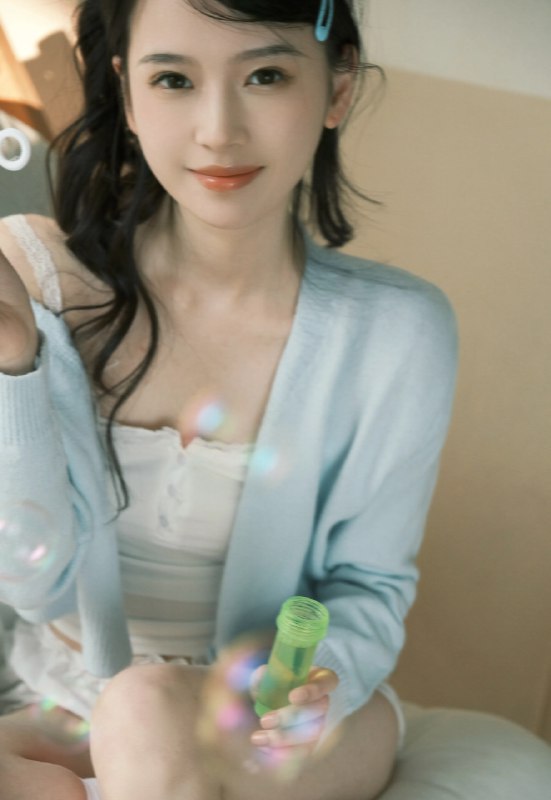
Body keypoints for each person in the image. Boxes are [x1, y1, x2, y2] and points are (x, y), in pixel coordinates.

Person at [0, 0, 458, 799]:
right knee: (122, 718)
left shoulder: (396, 331)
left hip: (277, 717)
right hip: (66, 693)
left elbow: (369, 584)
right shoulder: (34, 277)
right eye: (174, 80)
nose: (218, 130)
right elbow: (31, 583)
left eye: (266, 75)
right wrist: (16, 367)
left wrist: (315, 679)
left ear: (337, 88)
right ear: (128, 94)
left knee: (144, 710)